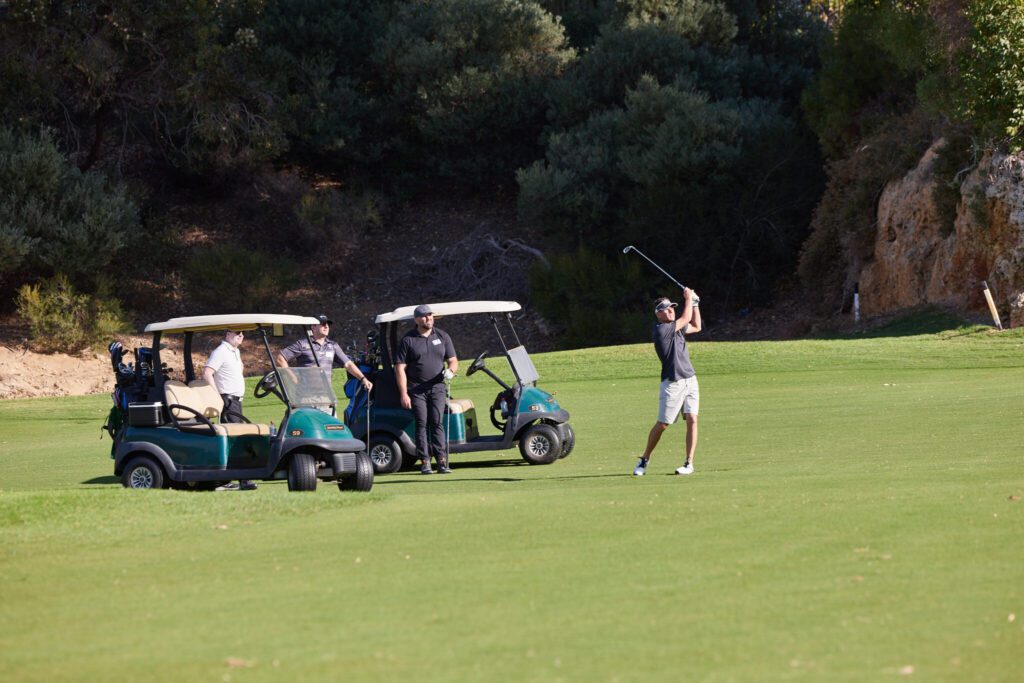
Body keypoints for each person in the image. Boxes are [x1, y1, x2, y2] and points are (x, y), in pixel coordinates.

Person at [634, 288, 702, 477]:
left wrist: (695, 305)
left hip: (690, 379)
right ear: (658, 314)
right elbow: (686, 318)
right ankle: (645, 458)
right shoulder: (661, 330)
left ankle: (689, 463)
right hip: (673, 383)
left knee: (692, 419)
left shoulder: (676, 327)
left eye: (672, 307)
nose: (671, 310)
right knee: (663, 424)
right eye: (666, 308)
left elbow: (696, 326)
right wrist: (689, 299)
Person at [395, 304, 458, 474]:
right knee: (421, 424)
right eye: (424, 316)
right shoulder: (408, 339)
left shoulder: (442, 336)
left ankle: (442, 461)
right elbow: (400, 368)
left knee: (437, 422)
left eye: (430, 315)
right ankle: (425, 461)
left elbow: (453, 360)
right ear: (416, 319)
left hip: (437, 387)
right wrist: (404, 393)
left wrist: (451, 371)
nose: (428, 318)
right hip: (416, 389)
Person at [202, 329, 257, 491]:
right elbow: (207, 373)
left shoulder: (235, 351)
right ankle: (239, 480)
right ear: (227, 334)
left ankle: (227, 479)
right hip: (227, 401)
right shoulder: (221, 351)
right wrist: (217, 396)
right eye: (237, 332)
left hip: (236, 401)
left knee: (235, 439)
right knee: (235, 440)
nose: (241, 335)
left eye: (242, 333)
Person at [275, 314, 373, 399]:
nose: (326, 326)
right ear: (313, 327)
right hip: (306, 396)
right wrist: (293, 378)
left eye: (327, 324)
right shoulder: (302, 344)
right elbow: (280, 358)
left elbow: (348, 364)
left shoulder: (333, 345)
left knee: (330, 416)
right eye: (322, 324)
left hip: (326, 396)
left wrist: (363, 379)